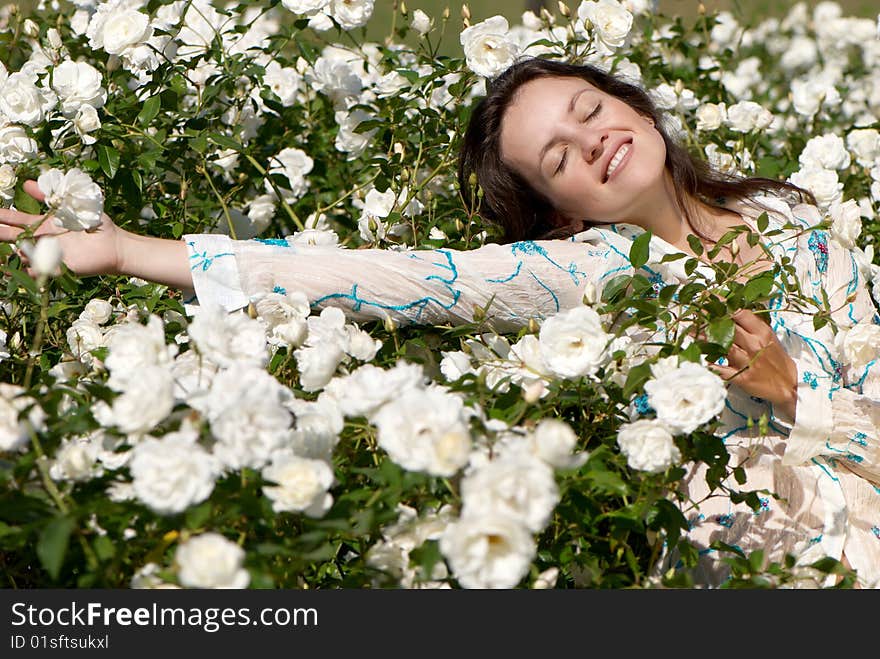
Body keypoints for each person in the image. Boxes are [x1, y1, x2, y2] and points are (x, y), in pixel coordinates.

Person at [2, 57, 879, 588]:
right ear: (561, 209)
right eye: (558, 159)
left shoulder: (792, 215)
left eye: (589, 112)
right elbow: (394, 278)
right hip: (779, 568)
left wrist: (799, 398)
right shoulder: (591, 272)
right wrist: (128, 251)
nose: (593, 141)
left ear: (634, 106)